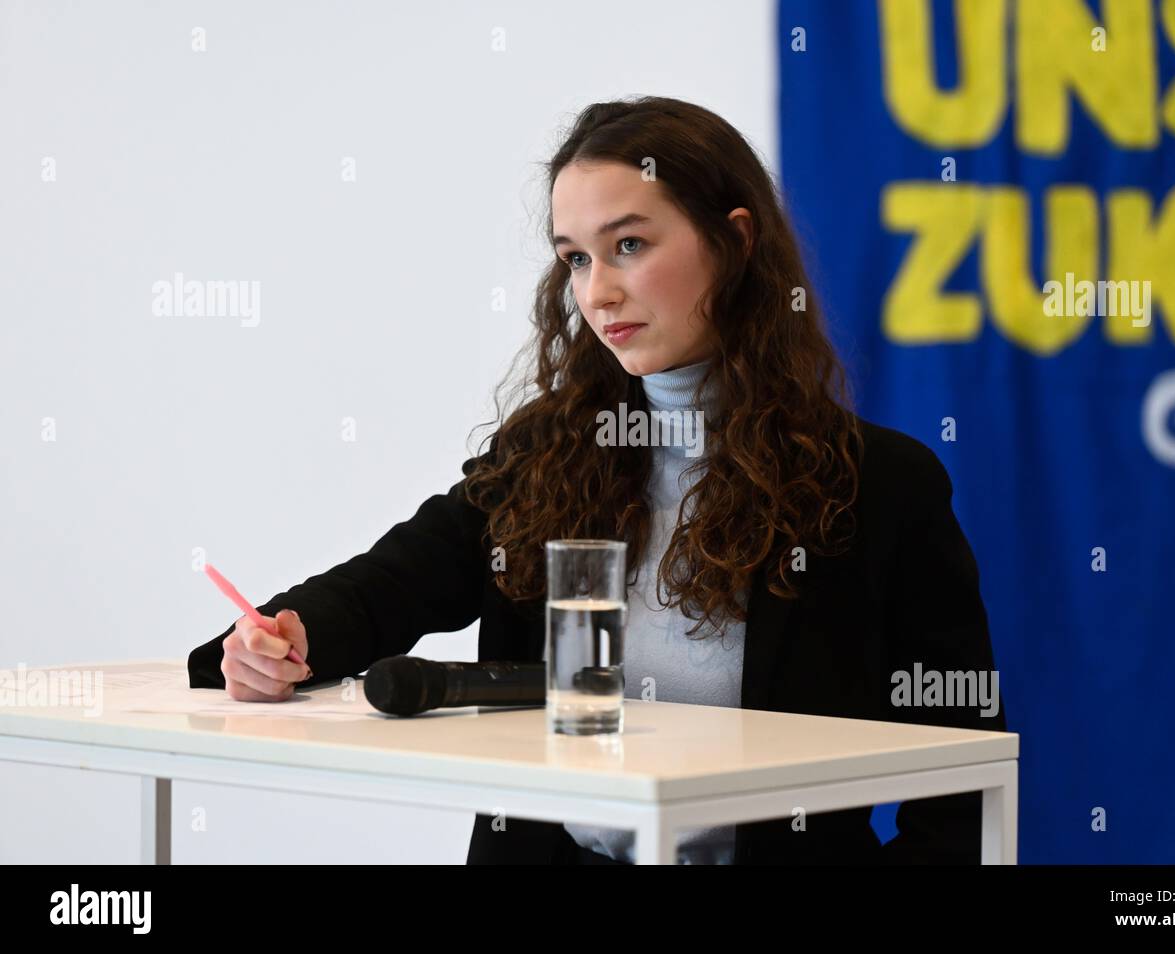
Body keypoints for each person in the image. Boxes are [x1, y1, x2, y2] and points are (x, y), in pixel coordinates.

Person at [188, 95, 1006, 865]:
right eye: (576, 258)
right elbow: (390, 586)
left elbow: (964, 767)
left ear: (736, 240)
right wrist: (284, 642)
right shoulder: (547, 451)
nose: (598, 291)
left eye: (630, 246)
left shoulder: (878, 484)